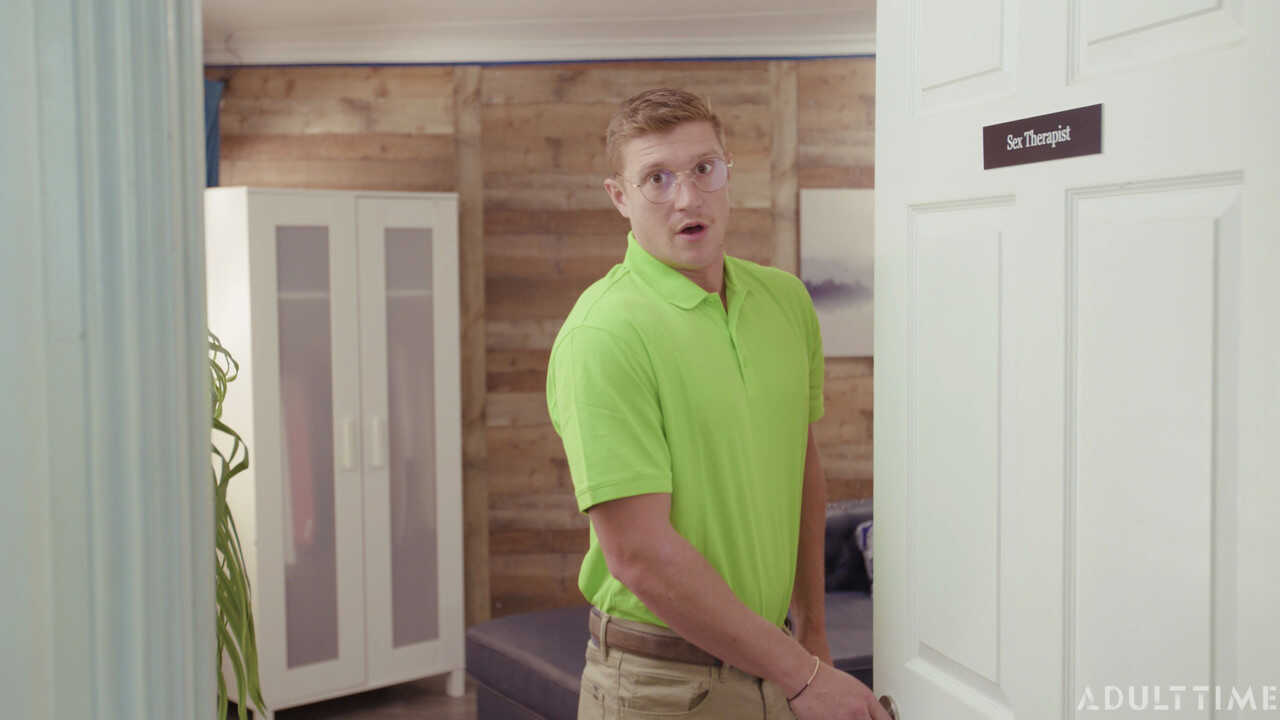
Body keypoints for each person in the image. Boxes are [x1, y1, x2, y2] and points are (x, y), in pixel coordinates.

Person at [546, 88, 891, 720]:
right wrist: (804, 676)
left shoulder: (786, 302)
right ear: (620, 197)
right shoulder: (603, 335)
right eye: (657, 178)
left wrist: (812, 635)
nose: (687, 197)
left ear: (727, 171)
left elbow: (801, 468)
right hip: (659, 686)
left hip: (778, 662)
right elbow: (639, 555)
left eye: (704, 168)